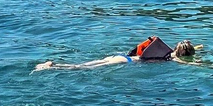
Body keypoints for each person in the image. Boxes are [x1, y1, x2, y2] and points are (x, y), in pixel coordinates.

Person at [35, 37, 199, 71]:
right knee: (82, 69)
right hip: (124, 63)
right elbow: (188, 63)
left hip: (121, 57)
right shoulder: (174, 59)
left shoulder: (169, 52)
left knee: (85, 64)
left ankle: (53, 64)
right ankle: (53, 68)